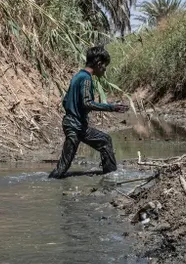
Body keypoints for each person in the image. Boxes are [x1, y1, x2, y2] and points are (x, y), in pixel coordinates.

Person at [48, 45, 128, 179]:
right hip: (76, 126)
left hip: (72, 124)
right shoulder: (86, 79)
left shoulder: (78, 76)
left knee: (63, 167)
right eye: (104, 65)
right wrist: (112, 107)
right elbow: (87, 103)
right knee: (105, 141)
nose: (105, 69)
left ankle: (51, 181)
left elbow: (66, 101)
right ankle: (112, 177)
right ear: (98, 63)